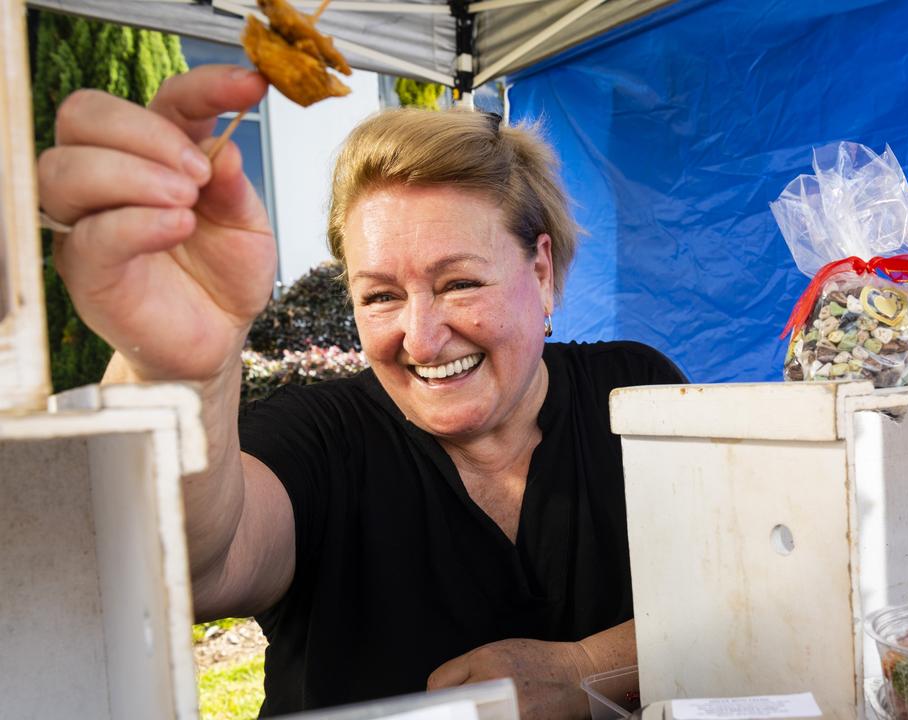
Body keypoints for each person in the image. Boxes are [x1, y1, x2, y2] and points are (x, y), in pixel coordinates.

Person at [37, 65, 686, 717]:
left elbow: (751, 584)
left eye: (459, 283)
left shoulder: (635, 391)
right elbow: (195, 568)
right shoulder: (319, 439)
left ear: (541, 270)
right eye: (380, 296)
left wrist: (585, 669)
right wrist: (179, 372)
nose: (422, 340)